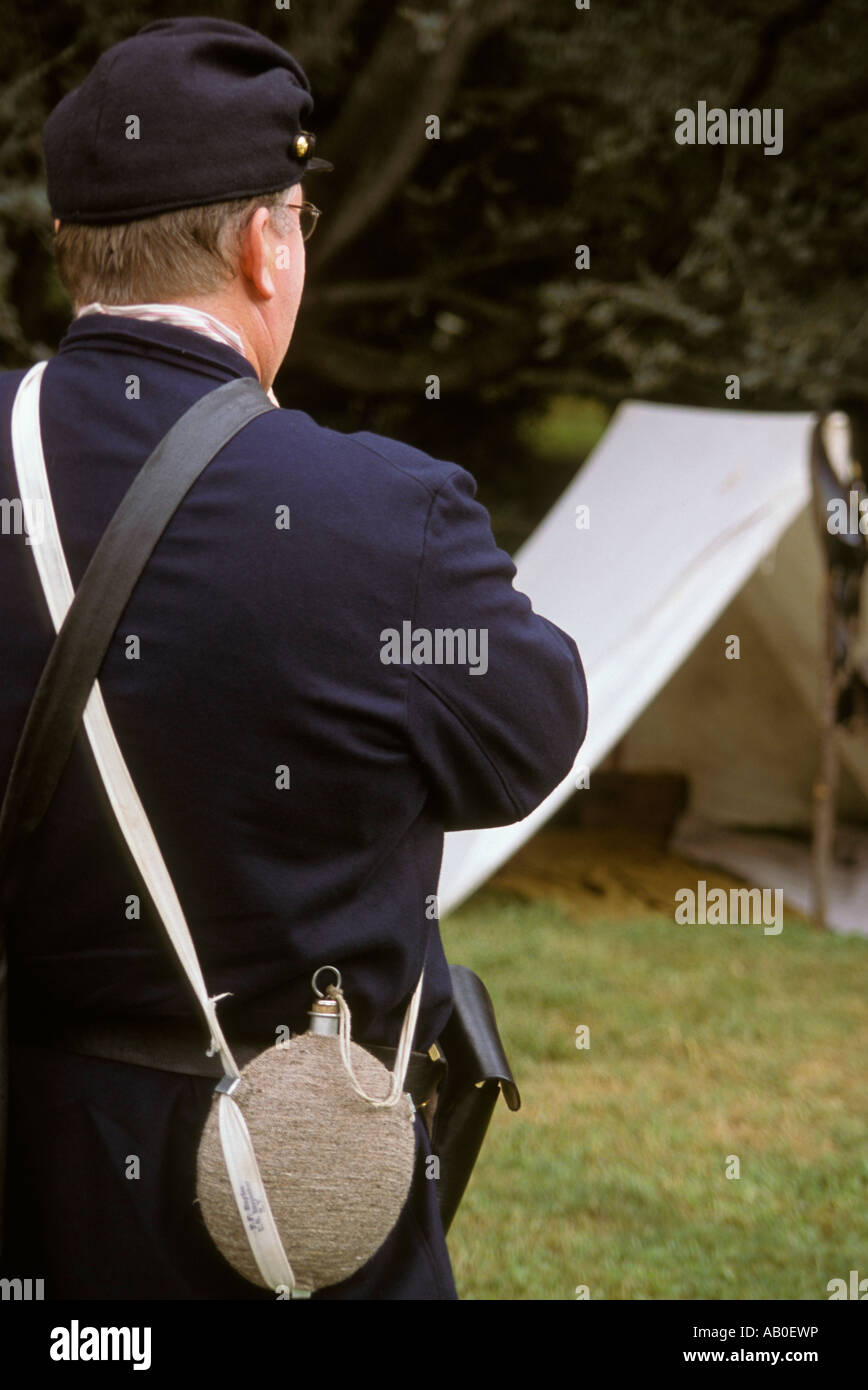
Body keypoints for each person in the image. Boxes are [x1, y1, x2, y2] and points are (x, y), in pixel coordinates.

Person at [0, 17, 588, 1300]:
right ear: (269, 243)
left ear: (68, 253)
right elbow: (530, 743)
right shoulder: (383, 514)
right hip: (290, 1201)